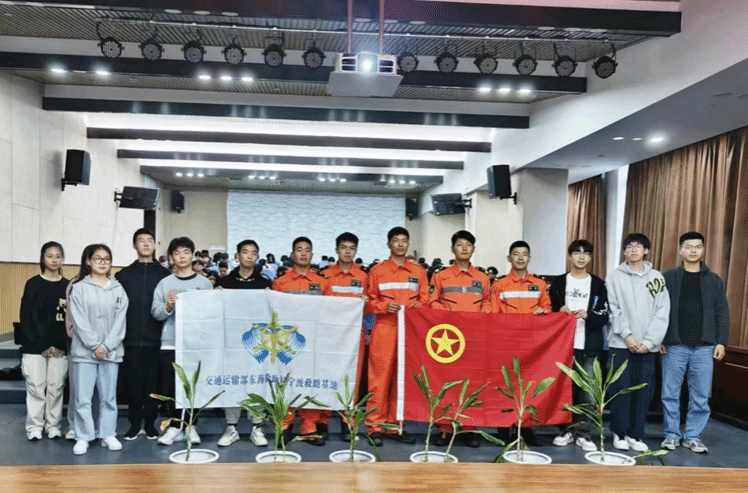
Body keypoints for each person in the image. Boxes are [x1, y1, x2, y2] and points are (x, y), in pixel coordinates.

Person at [660, 232, 729, 453]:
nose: (693, 251)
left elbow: (722, 313)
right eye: (688, 247)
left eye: (698, 247)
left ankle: (692, 436)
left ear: (703, 250)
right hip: (674, 345)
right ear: (680, 250)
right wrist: (659, 338)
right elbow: (658, 310)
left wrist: (721, 342)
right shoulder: (668, 277)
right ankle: (671, 434)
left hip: (704, 347)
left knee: (700, 396)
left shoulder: (713, 280)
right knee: (670, 393)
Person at [607, 233, 669, 453]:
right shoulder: (614, 276)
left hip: (647, 346)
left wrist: (650, 341)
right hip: (621, 343)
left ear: (646, 251)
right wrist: (627, 335)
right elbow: (613, 308)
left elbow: (662, 311)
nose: (633, 250)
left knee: (643, 391)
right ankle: (619, 432)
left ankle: (636, 434)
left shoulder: (657, 278)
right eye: (629, 247)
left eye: (638, 246)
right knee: (621, 388)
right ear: (624, 251)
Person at [365, 226, 427, 446]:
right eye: (396, 241)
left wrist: (420, 306)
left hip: (410, 330)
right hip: (385, 328)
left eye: (404, 241)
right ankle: (375, 426)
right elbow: (368, 302)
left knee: (402, 379)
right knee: (379, 378)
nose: (400, 244)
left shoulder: (418, 271)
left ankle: (395, 425)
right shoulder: (377, 271)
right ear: (388, 244)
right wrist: (383, 306)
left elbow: (426, 300)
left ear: (408, 244)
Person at [428, 230, 490, 448]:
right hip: (449, 338)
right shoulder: (441, 276)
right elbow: (432, 302)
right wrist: (445, 313)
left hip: (474, 337)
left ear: (473, 249)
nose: (464, 248)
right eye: (460, 244)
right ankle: (444, 428)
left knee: (472, 382)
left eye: (468, 245)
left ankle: (469, 428)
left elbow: (488, 302)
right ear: (452, 249)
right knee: (446, 382)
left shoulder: (482, 278)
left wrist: (486, 310)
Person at [549, 240, 610, 452]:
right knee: (565, 389)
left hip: (589, 345)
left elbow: (604, 315)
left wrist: (589, 315)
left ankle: (584, 433)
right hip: (564, 346)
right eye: (577, 253)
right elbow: (548, 311)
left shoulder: (599, 284)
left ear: (591, 258)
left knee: (588, 391)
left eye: (586, 253)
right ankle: (566, 430)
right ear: (570, 256)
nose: (581, 257)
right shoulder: (558, 283)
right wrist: (559, 311)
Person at [152, 237, 213, 446]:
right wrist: (168, 306)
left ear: (193, 255)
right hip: (171, 341)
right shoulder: (165, 283)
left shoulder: (204, 284)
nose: (182, 257)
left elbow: (211, 314)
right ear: (171, 257)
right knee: (172, 387)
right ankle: (175, 426)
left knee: (192, 385)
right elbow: (156, 313)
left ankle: (190, 425)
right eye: (177, 253)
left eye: (186, 252)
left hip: (195, 343)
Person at [69, 244, 128, 455]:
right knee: (83, 398)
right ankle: (83, 436)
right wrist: (95, 345)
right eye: (98, 258)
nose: (103, 263)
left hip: (111, 352)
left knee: (109, 398)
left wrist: (106, 346)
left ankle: (108, 434)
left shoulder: (118, 289)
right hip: (84, 353)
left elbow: (120, 322)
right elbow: (79, 321)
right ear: (88, 261)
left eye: (106, 259)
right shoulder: (79, 288)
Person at [272, 237, 330, 445]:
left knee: (310, 381)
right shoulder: (281, 282)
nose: (304, 253)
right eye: (299, 249)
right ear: (292, 254)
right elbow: (274, 312)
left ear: (312, 255)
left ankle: (308, 425)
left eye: (307, 250)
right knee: (287, 381)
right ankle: (285, 423)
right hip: (288, 341)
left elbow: (331, 310)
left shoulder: (323, 282)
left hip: (314, 339)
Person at [114, 228, 170, 441]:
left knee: (154, 385)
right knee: (133, 384)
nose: (146, 244)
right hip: (131, 338)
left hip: (158, 338)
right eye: (141, 241)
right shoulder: (124, 275)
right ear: (134, 245)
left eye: (150, 241)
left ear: (155, 245)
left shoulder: (165, 275)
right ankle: (135, 424)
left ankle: (150, 424)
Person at [215, 239, 272, 449]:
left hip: (257, 343)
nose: (249, 256)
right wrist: (215, 297)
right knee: (233, 383)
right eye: (245, 252)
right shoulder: (226, 282)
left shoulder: (264, 283)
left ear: (257, 257)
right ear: (237, 256)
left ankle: (257, 427)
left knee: (257, 382)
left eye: (253, 253)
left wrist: (271, 298)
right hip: (231, 342)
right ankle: (232, 427)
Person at [18, 241, 69, 441]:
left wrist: (59, 346)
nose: (54, 260)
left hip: (59, 349)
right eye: (50, 256)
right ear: (42, 258)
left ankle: (53, 425)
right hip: (34, 347)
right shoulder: (33, 284)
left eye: (58, 256)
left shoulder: (67, 286)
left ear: (62, 259)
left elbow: (69, 321)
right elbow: (26, 318)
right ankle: (34, 427)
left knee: (55, 388)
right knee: (36, 388)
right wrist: (42, 346)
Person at [321, 232, 369, 442]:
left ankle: (347, 422)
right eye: (343, 247)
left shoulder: (364, 276)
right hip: (330, 334)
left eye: (351, 248)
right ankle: (322, 422)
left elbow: (372, 305)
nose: (347, 252)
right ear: (336, 250)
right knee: (328, 377)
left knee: (352, 380)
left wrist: (367, 303)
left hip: (354, 334)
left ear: (356, 251)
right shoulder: (325, 275)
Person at [490, 241, 551, 315]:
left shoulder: (540, 283)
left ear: (529, 258)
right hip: (507, 323)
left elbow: (547, 308)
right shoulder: (499, 284)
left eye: (524, 254)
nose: (520, 258)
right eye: (516, 254)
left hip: (533, 323)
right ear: (509, 258)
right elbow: (494, 314)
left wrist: (543, 310)